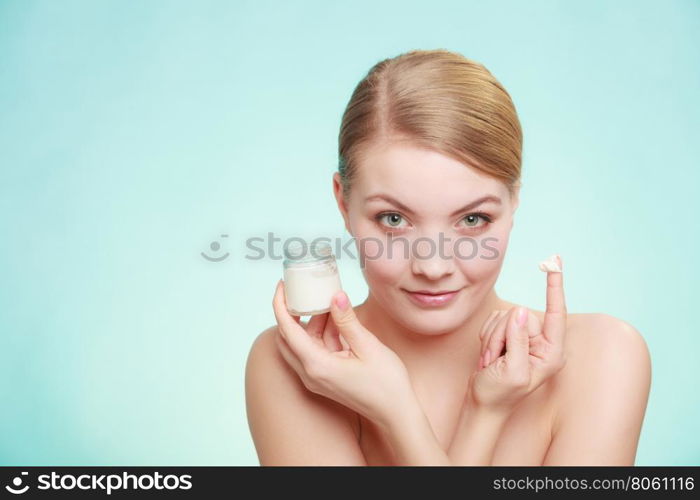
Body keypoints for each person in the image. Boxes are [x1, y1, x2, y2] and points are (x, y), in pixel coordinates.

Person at [245, 49, 651, 465]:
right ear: (343, 202)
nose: (434, 267)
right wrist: (421, 412)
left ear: (514, 204)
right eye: (394, 219)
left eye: (473, 219)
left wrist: (431, 414)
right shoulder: (294, 366)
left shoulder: (603, 356)